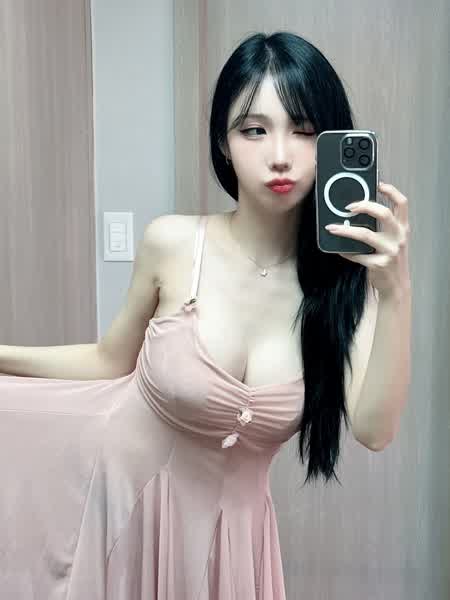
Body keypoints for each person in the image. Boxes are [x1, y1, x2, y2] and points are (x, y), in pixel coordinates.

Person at [0, 31, 380, 599]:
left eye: (303, 129)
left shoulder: (345, 287)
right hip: (126, 514)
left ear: (331, 142)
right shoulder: (173, 243)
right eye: (254, 129)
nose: (280, 154)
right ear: (223, 143)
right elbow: (109, 360)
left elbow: (374, 430)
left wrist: (395, 285)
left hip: (238, 550)